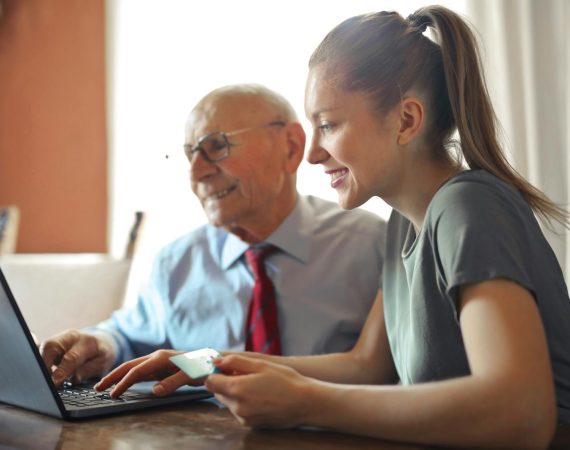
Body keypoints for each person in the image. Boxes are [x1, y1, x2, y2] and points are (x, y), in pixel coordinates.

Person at [96, 5, 570, 449]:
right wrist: (205, 363)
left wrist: (305, 401)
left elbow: (522, 414)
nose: (313, 154)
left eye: (328, 125)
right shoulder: (403, 226)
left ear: (406, 121)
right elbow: (367, 366)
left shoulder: (467, 207)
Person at [40, 84, 386, 387]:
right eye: (191, 154)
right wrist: (99, 345)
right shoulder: (176, 262)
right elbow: (128, 337)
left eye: (216, 146)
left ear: (291, 147)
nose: (196, 173)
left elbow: (384, 372)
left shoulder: (372, 246)